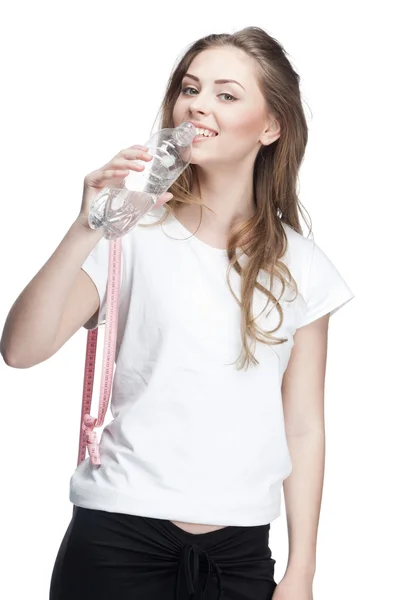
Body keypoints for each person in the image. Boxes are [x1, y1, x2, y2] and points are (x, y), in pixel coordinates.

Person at [1, 26, 355, 600]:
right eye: (190, 88)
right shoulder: (129, 233)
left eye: (226, 94)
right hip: (115, 541)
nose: (197, 104)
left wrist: (301, 571)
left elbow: (305, 427)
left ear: (271, 127)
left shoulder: (304, 267)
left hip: (239, 558)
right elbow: (21, 350)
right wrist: (84, 228)